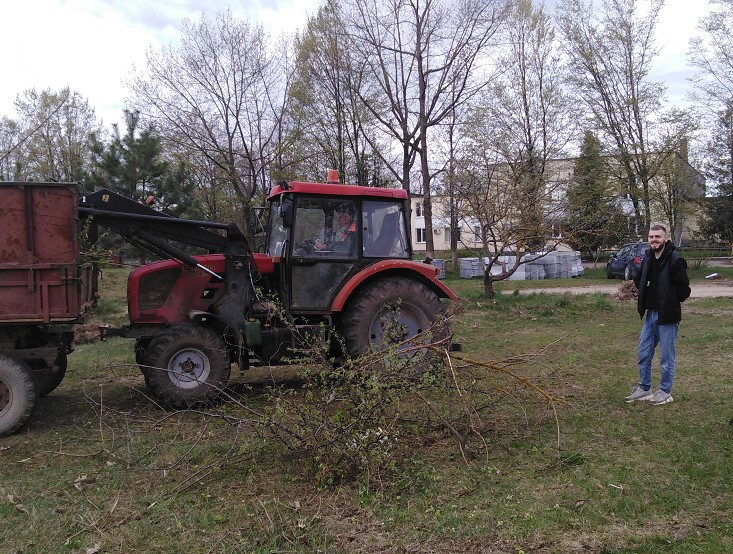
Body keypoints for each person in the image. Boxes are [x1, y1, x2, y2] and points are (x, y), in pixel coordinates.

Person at [624, 224, 691, 406]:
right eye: (652, 237)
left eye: (658, 237)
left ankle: (664, 391)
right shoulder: (647, 259)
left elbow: (684, 291)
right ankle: (645, 388)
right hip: (651, 314)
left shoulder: (675, 261)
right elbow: (640, 280)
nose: (654, 240)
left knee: (666, 357)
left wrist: (669, 300)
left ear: (666, 239)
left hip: (668, 316)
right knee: (643, 352)